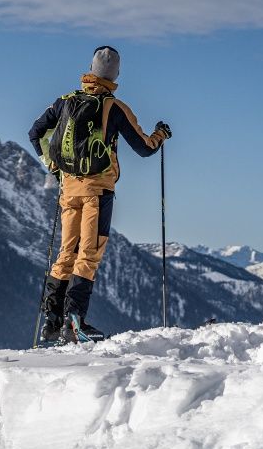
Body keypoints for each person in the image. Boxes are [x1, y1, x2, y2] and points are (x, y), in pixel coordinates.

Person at [28, 46, 170, 343]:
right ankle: (75, 322)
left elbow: (35, 132)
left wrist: (55, 168)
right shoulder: (114, 108)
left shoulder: (64, 103)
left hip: (69, 189)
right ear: (116, 74)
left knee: (66, 252)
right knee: (89, 254)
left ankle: (52, 322)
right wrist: (160, 134)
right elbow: (144, 147)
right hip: (98, 192)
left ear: (90, 69)